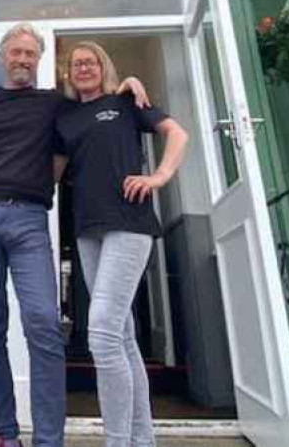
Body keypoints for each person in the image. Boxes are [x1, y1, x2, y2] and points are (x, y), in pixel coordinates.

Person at [0, 23, 149, 447]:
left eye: (30, 54)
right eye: (16, 52)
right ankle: (4, 433)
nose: (23, 59)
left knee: (42, 322)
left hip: (28, 220)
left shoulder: (54, 104)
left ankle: (48, 440)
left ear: (38, 60)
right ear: (3, 56)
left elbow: (96, 99)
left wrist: (127, 86)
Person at [55, 41, 188, 447]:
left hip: (128, 223)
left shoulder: (127, 101)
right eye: (76, 63)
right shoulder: (66, 119)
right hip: (87, 230)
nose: (83, 68)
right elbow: (54, 173)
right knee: (123, 336)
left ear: (103, 66)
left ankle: (118, 441)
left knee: (102, 334)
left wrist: (159, 177)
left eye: (91, 61)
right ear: (68, 73)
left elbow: (177, 134)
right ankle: (141, 440)